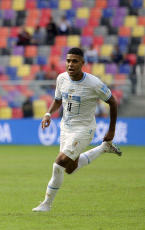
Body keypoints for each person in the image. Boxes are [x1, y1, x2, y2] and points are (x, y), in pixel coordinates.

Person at [32, 47, 122, 212]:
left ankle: (46, 205)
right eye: (68, 61)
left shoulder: (94, 84)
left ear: (82, 63)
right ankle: (104, 148)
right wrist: (47, 113)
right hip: (66, 128)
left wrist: (112, 130)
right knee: (69, 169)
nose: (70, 64)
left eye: (74, 61)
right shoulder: (61, 79)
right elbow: (58, 100)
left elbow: (113, 102)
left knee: (58, 164)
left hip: (84, 129)